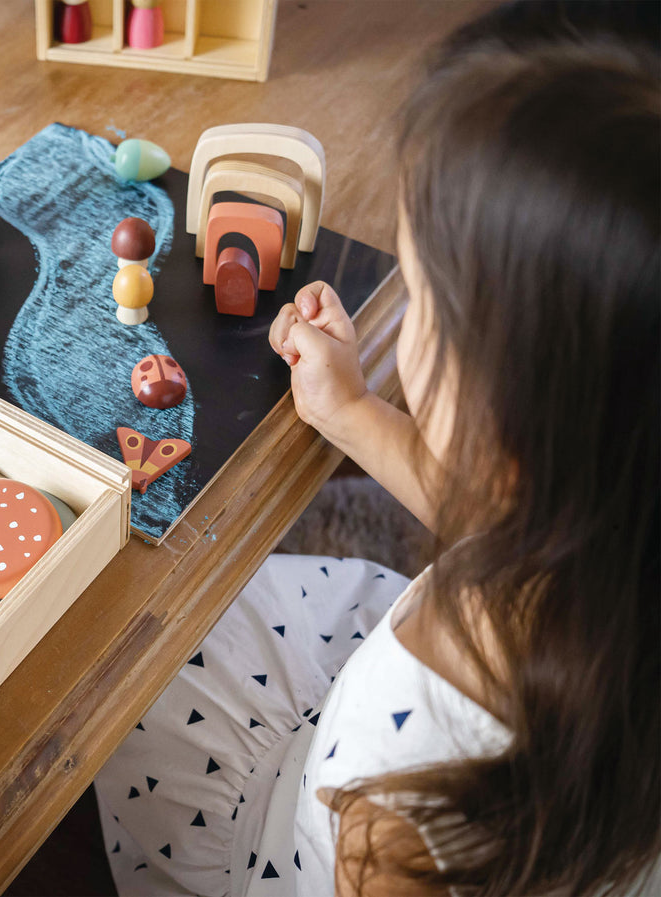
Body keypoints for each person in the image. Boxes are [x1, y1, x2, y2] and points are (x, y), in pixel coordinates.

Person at [94, 3, 659, 894]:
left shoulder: (399, 829)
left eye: (423, 297)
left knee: (131, 665)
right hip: (373, 713)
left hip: (313, 826)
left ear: (512, 429)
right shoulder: (610, 530)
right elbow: (493, 512)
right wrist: (353, 411)